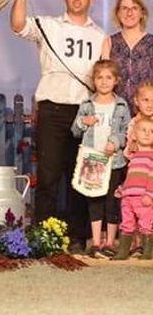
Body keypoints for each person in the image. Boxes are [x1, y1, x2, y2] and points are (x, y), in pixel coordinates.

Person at [10, 0, 106, 253]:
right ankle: (45, 235)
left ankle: (77, 236)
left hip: (84, 112)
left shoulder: (99, 36)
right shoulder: (49, 25)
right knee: (49, 176)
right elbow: (17, 26)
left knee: (80, 177)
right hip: (52, 109)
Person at [71, 59, 130, 258]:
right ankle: (96, 242)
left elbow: (127, 132)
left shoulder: (121, 105)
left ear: (116, 81)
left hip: (113, 162)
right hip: (93, 162)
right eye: (99, 78)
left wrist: (115, 142)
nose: (104, 82)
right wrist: (82, 122)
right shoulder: (87, 105)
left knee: (112, 202)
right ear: (94, 81)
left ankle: (111, 242)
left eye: (108, 78)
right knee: (94, 201)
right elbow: (75, 131)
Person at [102, 0, 153, 114]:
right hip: (115, 115)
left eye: (134, 8)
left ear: (142, 12)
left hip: (146, 118)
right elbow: (102, 80)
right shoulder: (109, 42)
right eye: (124, 8)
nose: (129, 13)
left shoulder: (151, 42)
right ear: (118, 13)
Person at [113, 117, 153, 260]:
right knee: (126, 224)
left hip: (143, 198)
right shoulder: (134, 157)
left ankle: (148, 251)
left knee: (146, 224)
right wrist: (123, 189)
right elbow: (131, 177)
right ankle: (123, 251)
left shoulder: (151, 157)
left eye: (151, 131)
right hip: (128, 197)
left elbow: (151, 178)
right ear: (134, 135)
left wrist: (149, 194)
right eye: (143, 130)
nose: (148, 133)